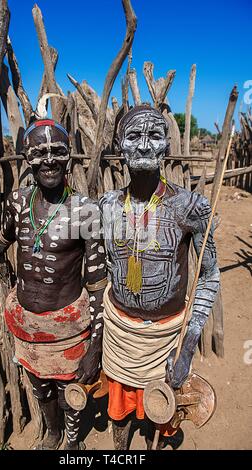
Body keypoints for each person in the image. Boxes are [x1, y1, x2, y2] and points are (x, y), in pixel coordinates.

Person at [0, 116, 107, 450]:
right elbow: (1, 239)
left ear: (69, 156)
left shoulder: (85, 211)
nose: (49, 159)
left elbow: (97, 284)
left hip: (67, 325)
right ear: (27, 158)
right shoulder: (18, 202)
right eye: (40, 152)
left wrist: (95, 345)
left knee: (70, 389)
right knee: (40, 386)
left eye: (58, 151)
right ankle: (52, 433)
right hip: (27, 323)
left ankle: (71, 442)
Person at [99, 104, 220, 450]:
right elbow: (103, 272)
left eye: (154, 136)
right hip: (120, 334)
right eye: (134, 136)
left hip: (168, 337)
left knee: (163, 410)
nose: (143, 145)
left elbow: (210, 276)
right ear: (120, 146)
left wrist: (189, 343)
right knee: (118, 413)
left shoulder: (190, 207)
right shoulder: (107, 205)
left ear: (167, 145)